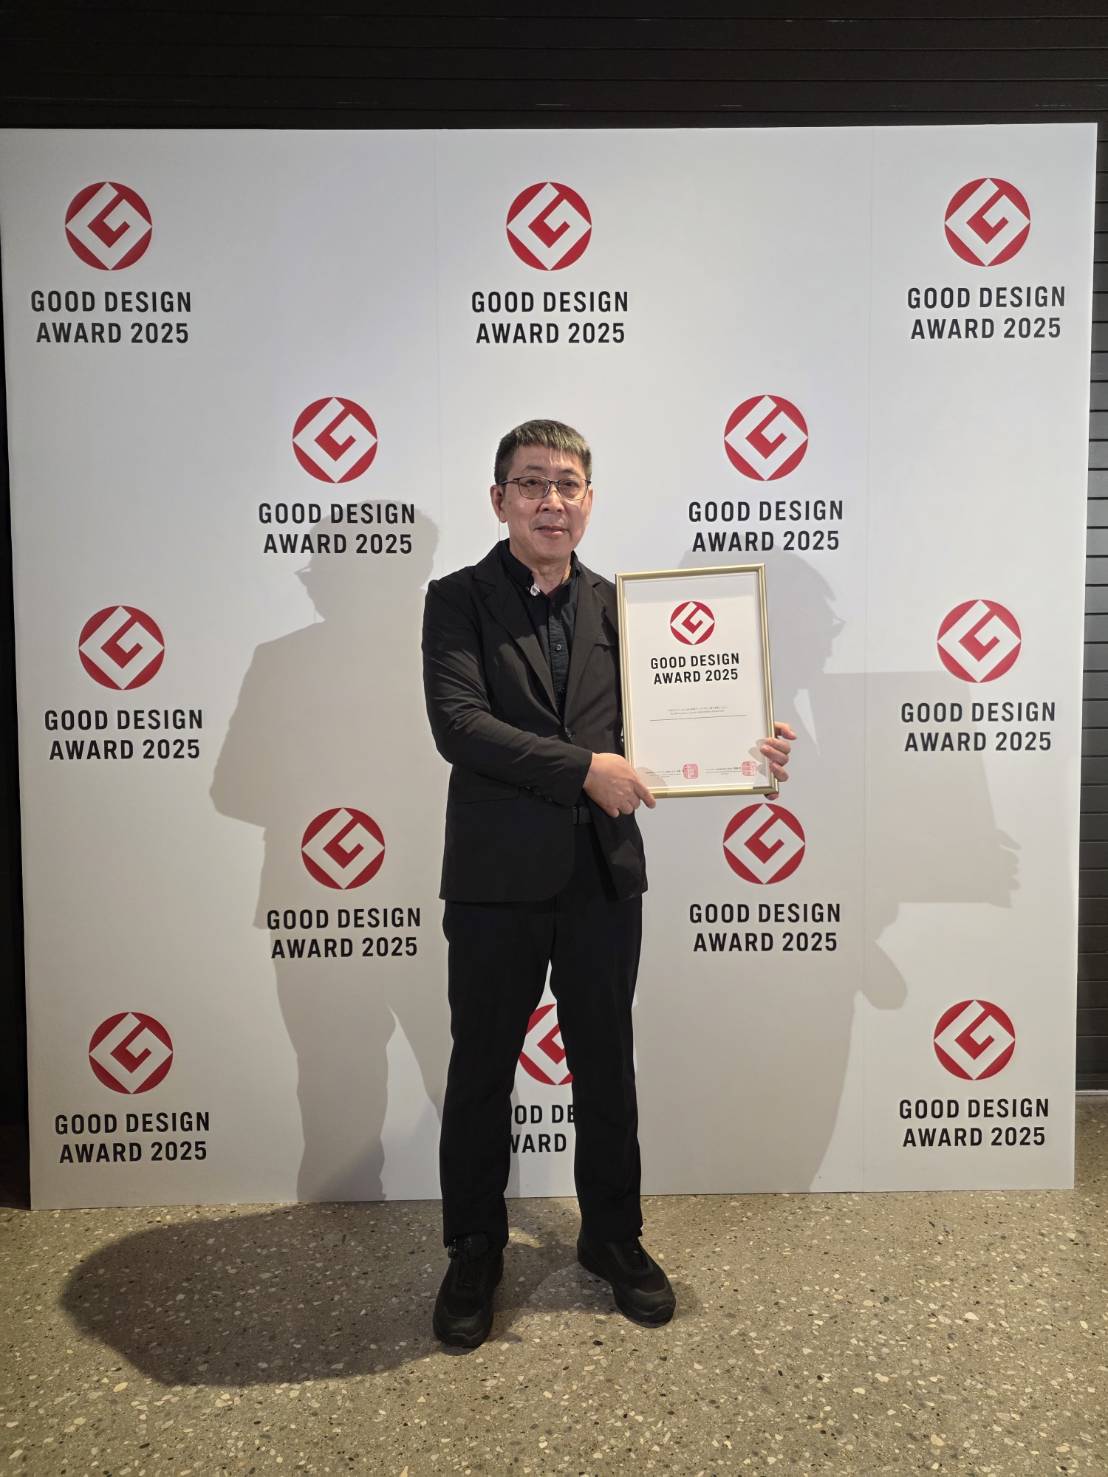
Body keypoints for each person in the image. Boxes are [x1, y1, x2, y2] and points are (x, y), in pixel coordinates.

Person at [421, 419, 794, 1348]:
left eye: (568, 484)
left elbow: (669, 724)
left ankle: (612, 1237)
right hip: (495, 880)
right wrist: (585, 766)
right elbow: (460, 725)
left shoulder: (631, 609)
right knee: (481, 1070)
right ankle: (474, 1248)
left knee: (606, 1067)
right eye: (531, 483)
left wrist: (744, 749)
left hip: (601, 874)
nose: (551, 500)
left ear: (589, 500)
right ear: (499, 499)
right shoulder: (456, 599)